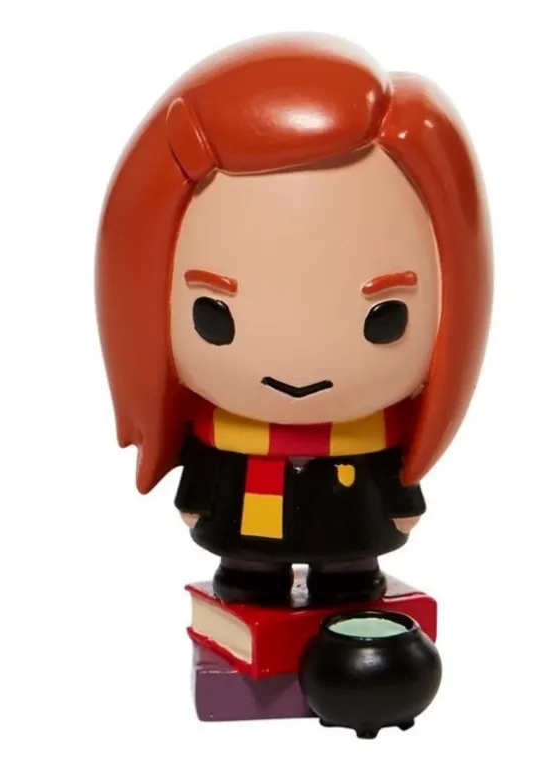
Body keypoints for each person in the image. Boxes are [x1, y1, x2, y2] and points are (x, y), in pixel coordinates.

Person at [96, 33, 492, 605]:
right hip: (247, 522)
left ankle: (347, 582)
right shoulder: (226, 434)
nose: (300, 360)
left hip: (350, 518)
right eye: (214, 317)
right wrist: (198, 496)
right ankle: (251, 585)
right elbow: (206, 476)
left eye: (384, 319)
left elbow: (392, 482)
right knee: (248, 582)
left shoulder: (372, 434)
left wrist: (400, 501)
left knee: (350, 583)